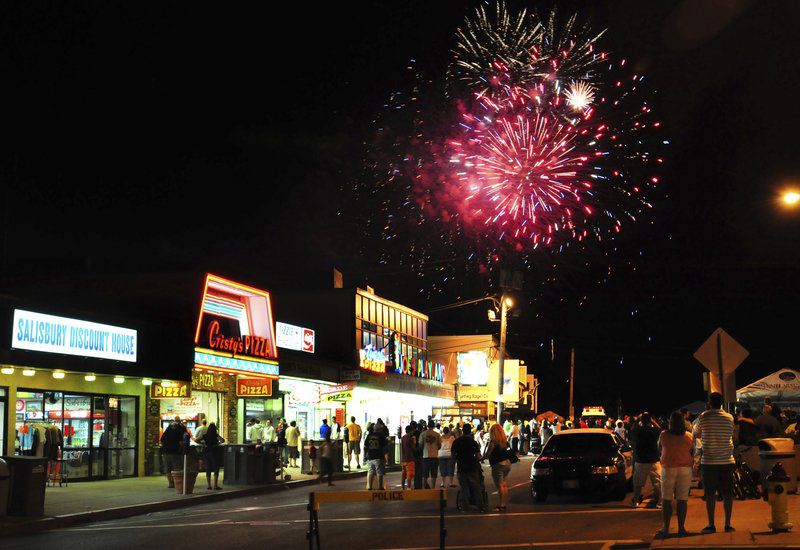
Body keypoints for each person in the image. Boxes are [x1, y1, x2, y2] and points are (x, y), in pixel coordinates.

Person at [694, 392, 736, 534]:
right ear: (722, 403)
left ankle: (711, 524)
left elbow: (696, 433)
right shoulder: (729, 417)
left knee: (710, 494)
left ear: (709, 403)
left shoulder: (703, 417)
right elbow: (731, 433)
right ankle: (728, 524)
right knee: (728, 493)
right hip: (727, 460)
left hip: (709, 461)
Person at [656, 411, 694, 538]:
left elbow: (659, 448)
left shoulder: (664, 435)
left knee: (666, 500)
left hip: (668, 469)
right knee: (682, 500)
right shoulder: (688, 436)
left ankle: (666, 528)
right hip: (685, 469)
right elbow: (692, 450)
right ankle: (681, 528)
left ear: (670, 422)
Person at [629, 412, 662, 508]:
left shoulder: (637, 431)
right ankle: (660, 502)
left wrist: (637, 420)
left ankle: (635, 502)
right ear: (650, 420)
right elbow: (660, 429)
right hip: (654, 460)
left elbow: (631, 429)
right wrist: (653, 421)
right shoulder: (654, 431)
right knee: (657, 484)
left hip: (640, 461)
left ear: (641, 421)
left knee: (638, 484)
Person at [452, 423, 484, 512]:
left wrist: (456, 462)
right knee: (476, 488)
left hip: (461, 467)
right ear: (470, 431)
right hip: (472, 467)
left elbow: (453, 455)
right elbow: (478, 456)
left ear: (463, 431)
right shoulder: (473, 442)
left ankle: (465, 507)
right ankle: (480, 507)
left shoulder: (457, 442)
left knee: (464, 488)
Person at [482, 423, 511, 512]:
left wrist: (481, 458)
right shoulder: (504, 441)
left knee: (500, 485)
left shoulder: (493, 442)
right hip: (507, 464)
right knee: (503, 484)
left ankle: (502, 505)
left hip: (498, 464)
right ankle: (504, 503)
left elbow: (488, 453)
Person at [160, 416, 186, 488]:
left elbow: (161, 440)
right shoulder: (179, 431)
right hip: (175, 453)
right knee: (176, 468)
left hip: (165, 453)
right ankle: (176, 482)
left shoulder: (167, 432)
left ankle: (170, 483)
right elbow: (182, 441)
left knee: (168, 468)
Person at [200, 422, 225, 490]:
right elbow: (222, 440)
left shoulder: (205, 435)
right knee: (216, 468)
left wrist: (203, 444)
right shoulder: (216, 435)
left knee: (208, 469)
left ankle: (209, 485)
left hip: (206, 453)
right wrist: (218, 443)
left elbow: (196, 440)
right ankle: (215, 485)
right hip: (214, 452)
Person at [363, 423, 388, 490]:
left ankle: (370, 487)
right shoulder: (381, 436)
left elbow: (365, 447)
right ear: (379, 429)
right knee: (379, 472)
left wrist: (365, 456)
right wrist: (385, 457)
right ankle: (380, 487)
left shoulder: (369, 436)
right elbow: (385, 447)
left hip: (370, 456)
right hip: (379, 456)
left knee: (370, 472)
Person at [419, 421, 442, 490]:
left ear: (427, 426)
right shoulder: (437, 434)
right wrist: (435, 449)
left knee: (425, 475)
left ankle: (424, 488)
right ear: (434, 426)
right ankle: (433, 488)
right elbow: (440, 445)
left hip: (426, 456)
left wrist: (424, 449)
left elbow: (420, 445)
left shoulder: (423, 434)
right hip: (434, 456)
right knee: (434, 474)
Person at [400, 425, 417, 490]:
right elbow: (414, 448)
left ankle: (402, 487)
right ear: (411, 431)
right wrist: (414, 442)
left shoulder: (403, 437)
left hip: (404, 459)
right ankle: (409, 487)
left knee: (403, 474)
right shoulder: (410, 438)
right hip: (409, 458)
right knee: (409, 473)